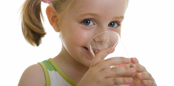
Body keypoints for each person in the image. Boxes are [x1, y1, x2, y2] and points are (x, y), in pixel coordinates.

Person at [18, 0, 156, 86]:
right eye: (88, 21)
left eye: (113, 23)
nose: (104, 38)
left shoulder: (119, 75)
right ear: (55, 19)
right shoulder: (37, 78)